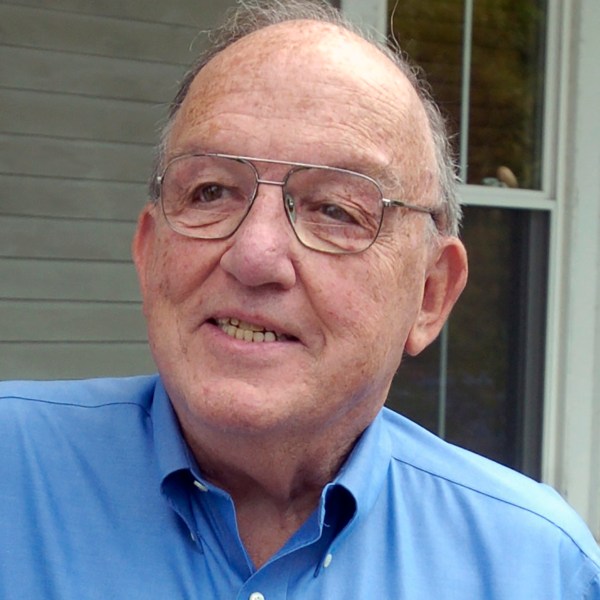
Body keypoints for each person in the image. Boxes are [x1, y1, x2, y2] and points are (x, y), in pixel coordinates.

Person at [1, 0, 598, 598]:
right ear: (149, 253)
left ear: (430, 295)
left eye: (335, 210)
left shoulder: (538, 569)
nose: (254, 255)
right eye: (210, 191)